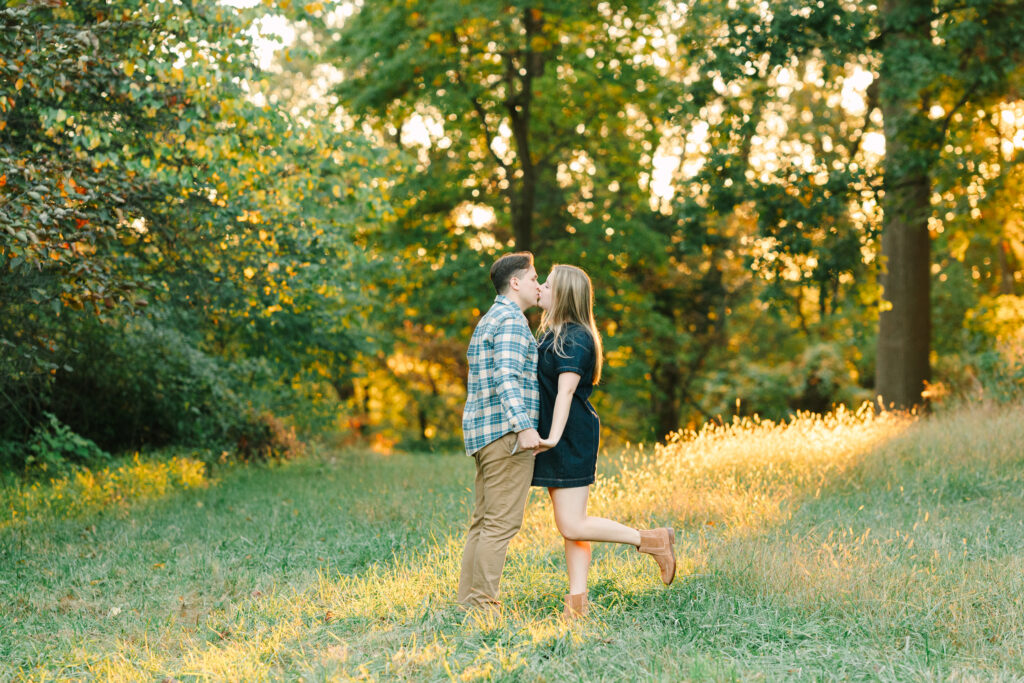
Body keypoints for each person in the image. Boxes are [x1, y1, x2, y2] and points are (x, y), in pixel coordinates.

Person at [532, 264, 676, 620]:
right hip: (556, 436)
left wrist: (552, 437)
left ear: (563, 294)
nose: (541, 289)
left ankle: (651, 540)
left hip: (568, 436)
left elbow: (566, 391)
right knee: (571, 525)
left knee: (572, 524)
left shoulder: (576, 337)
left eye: (547, 285)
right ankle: (577, 605)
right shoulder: (553, 333)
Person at [457, 251, 543, 613]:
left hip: (485, 434)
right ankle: (483, 606)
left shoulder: (490, 319)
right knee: (500, 524)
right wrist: (524, 427)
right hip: (505, 435)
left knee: (483, 523)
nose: (539, 285)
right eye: (535, 278)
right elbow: (506, 377)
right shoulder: (511, 321)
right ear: (516, 282)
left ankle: (468, 602)